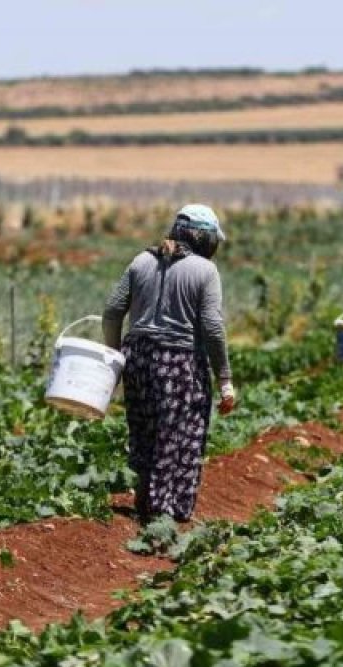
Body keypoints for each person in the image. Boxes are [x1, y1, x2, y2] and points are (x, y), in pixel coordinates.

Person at [103, 204, 237, 523]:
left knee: (145, 429)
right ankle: (166, 512)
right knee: (178, 435)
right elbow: (212, 327)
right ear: (204, 239)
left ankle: (145, 499)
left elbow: (112, 311)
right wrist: (225, 378)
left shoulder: (142, 260)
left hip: (137, 357)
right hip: (179, 362)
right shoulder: (205, 271)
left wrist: (115, 358)